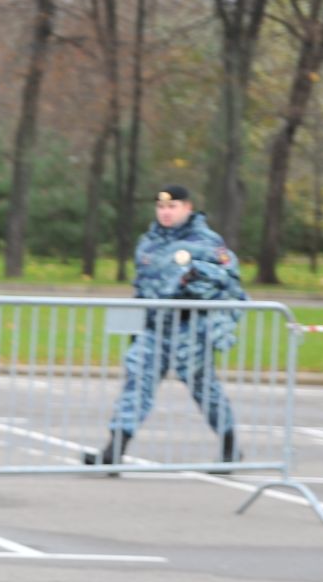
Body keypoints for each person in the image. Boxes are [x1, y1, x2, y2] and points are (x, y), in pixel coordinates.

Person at [85, 185, 247, 469]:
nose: (166, 212)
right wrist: (135, 329)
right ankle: (114, 451)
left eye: (172, 207)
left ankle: (230, 446)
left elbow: (228, 281)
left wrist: (198, 283)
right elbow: (141, 289)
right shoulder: (148, 243)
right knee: (136, 384)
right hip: (154, 327)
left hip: (191, 328)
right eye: (161, 207)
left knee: (205, 390)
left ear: (187, 207)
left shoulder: (207, 242)